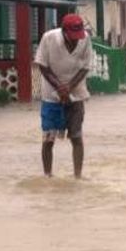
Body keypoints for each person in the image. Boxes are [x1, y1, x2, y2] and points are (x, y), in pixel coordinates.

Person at [34, 13, 93, 179]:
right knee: (48, 139)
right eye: (72, 37)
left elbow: (85, 67)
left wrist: (69, 87)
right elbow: (42, 65)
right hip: (51, 96)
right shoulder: (49, 38)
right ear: (64, 31)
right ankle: (47, 176)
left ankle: (78, 176)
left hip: (76, 94)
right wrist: (59, 87)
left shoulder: (85, 39)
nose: (75, 40)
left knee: (76, 137)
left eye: (78, 36)